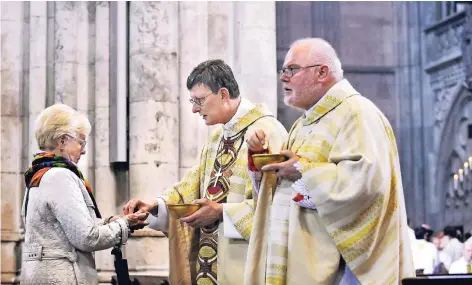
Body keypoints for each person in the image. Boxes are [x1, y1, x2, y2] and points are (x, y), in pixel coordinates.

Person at [245, 38, 415, 284]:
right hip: (298, 262)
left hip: (339, 271)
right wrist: (263, 161)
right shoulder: (302, 124)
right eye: (283, 70)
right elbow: (284, 191)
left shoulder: (357, 112)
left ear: (321, 72)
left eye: (291, 69)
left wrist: (304, 170)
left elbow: (366, 187)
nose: (283, 77)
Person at [123, 59, 288, 285]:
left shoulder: (267, 132)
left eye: (199, 100)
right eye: (193, 100)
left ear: (223, 94)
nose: (194, 108)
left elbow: (276, 203)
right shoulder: (217, 137)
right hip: (209, 262)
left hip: (245, 261)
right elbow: (192, 184)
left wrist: (222, 212)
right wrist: (156, 206)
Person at [20, 104, 148, 285]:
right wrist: (124, 225)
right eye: (81, 141)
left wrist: (110, 222)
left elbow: (66, 229)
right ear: (62, 141)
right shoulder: (59, 176)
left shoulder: (38, 174)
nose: (84, 149)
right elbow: (87, 238)